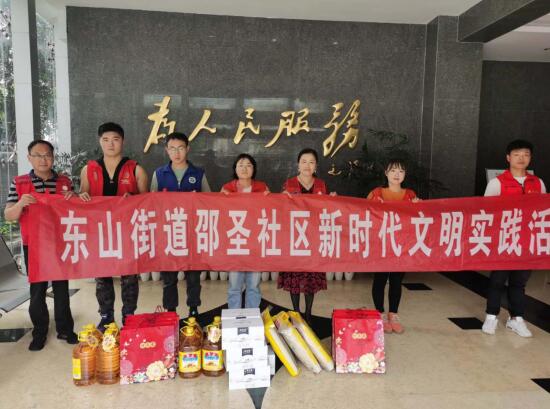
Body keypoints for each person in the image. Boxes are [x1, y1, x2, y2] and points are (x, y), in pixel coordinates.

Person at [4, 140, 77, 350]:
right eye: (38, 155)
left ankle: (65, 329)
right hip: (34, 245)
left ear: (53, 158)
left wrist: (73, 198)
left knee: (62, 287)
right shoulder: (19, 183)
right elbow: (8, 215)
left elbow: (75, 210)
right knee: (37, 289)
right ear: (29, 158)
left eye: (47, 155)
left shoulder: (64, 181)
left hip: (60, 243)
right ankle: (40, 332)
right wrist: (20, 203)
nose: (43, 159)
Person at [78, 122, 148, 330]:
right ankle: (106, 316)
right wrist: (81, 197)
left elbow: (147, 202)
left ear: (122, 141)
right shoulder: (88, 170)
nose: (110, 144)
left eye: (115, 139)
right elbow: (83, 198)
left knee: (129, 277)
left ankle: (129, 316)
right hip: (100, 232)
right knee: (102, 276)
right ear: (100, 141)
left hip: (127, 233)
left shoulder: (135, 169)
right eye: (106, 139)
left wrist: (134, 198)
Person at [481, 139, 546, 338]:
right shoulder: (497, 183)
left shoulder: (538, 183)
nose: (521, 158)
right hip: (504, 239)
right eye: (517, 154)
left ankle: (516, 318)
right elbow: (485, 212)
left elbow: (542, 211)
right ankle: (491, 316)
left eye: (526, 155)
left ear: (530, 158)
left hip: (527, 241)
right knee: (498, 280)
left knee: (519, 281)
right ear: (508, 158)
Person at [150, 132, 211, 318]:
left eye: (181, 148)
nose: (177, 153)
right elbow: (151, 204)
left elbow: (209, 202)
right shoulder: (159, 174)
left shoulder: (198, 174)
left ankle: (193, 309)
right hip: (168, 234)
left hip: (192, 234)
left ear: (188, 149)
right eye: (172, 149)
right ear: (167, 150)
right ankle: (170, 312)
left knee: (193, 278)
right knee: (169, 278)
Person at [278, 148, 334, 324]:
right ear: (298, 165)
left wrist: (333, 200)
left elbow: (327, 210)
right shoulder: (288, 184)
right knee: (294, 277)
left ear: (316, 166)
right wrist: (281, 199)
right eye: (304, 161)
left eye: (311, 162)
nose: (307, 165)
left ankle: (308, 313)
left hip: (314, 239)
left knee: (311, 277)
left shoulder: (322, 185)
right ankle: (295, 313)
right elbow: (281, 210)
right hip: (294, 238)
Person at [367, 159, 419, 334]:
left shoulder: (410, 195)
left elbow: (418, 218)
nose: (397, 174)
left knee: (397, 280)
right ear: (386, 173)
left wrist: (419, 206)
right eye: (393, 170)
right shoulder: (376, 193)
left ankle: (393, 315)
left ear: (405, 175)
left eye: (401, 171)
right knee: (380, 279)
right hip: (381, 245)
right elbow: (364, 214)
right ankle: (380, 314)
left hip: (401, 245)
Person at [221, 153, 269, 309]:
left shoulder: (262, 187)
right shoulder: (227, 188)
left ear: (254, 169)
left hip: (255, 243)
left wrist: (269, 198)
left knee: (253, 286)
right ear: (235, 169)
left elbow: (270, 211)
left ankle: (252, 316)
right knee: (234, 285)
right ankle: (234, 316)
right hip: (235, 243)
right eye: (240, 165)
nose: (244, 168)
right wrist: (222, 199)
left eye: (248, 165)